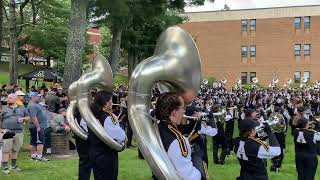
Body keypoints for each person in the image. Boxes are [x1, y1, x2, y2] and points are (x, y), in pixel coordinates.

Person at [155, 92, 201, 180]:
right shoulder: (178, 141)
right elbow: (189, 177)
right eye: (183, 107)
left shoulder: (160, 127)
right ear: (174, 112)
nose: (184, 111)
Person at [88, 91, 126, 180]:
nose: (112, 103)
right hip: (106, 155)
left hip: (95, 152)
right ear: (105, 103)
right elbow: (120, 136)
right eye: (111, 100)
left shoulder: (92, 115)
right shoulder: (108, 117)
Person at [0, 94, 29, 173]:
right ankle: (5, 167)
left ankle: (13, 166)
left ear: (15, 99)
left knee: (15, 150)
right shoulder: (4, 109)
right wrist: (1, 131)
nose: (7, 99)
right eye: (7, 98)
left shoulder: (22, 108)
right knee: (6, 150)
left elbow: (28, 118)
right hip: (7, 131)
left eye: (10, 98)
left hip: (18, 132)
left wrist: (23, 119)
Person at [27, 92, 49, 161]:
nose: (38, 97)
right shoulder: (32, 105)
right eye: (37, 96)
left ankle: (33, 156)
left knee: (33, 141)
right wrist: (38, 126)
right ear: (32, 97)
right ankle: (39, 157)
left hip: (37, 126)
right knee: (40, 141)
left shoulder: (35, 104)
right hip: (37, 126)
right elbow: (33, 117)